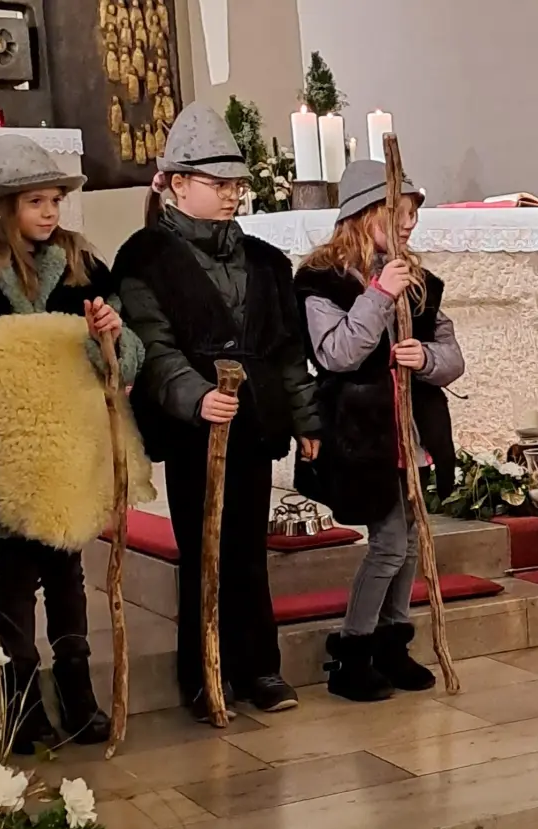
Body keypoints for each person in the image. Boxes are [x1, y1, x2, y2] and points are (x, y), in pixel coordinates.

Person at [116, 103, 321, 721]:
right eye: (218, 182)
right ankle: (204, 672)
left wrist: (306, 420)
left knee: (247, 551)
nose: (233, 194)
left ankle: (259, 667)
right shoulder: (145, 257)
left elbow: (286, 350)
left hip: (253, 425)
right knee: (203, 550)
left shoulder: (262, 260)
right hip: (192, 433)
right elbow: (152, 348)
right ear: (178, 184)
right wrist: (194, 397)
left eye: (237, 184)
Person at [0, 135, 146, 753]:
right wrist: (28, 354)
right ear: (1, 205)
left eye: (55, 199)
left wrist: (108, 335)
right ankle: (23, 702)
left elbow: (123, 358)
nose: (50, 212)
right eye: (36, 200)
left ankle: (79, 694)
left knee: (66, 568)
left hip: (69, 444)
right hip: (4, 448)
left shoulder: (83, 263)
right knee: (16, 571)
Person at [294, 160, 463, 702]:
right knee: (389, 540)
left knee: (410, 539)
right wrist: (378, 295)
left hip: (407, 430)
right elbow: (338, 353)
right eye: (400, 211)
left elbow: (452, 357)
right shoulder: (321, 281)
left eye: (413, 212)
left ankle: (392, 644)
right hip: (359, 432)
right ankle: (353, 649)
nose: (411, 223)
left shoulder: (421, 282)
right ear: (366, 215)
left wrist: (426, 357)